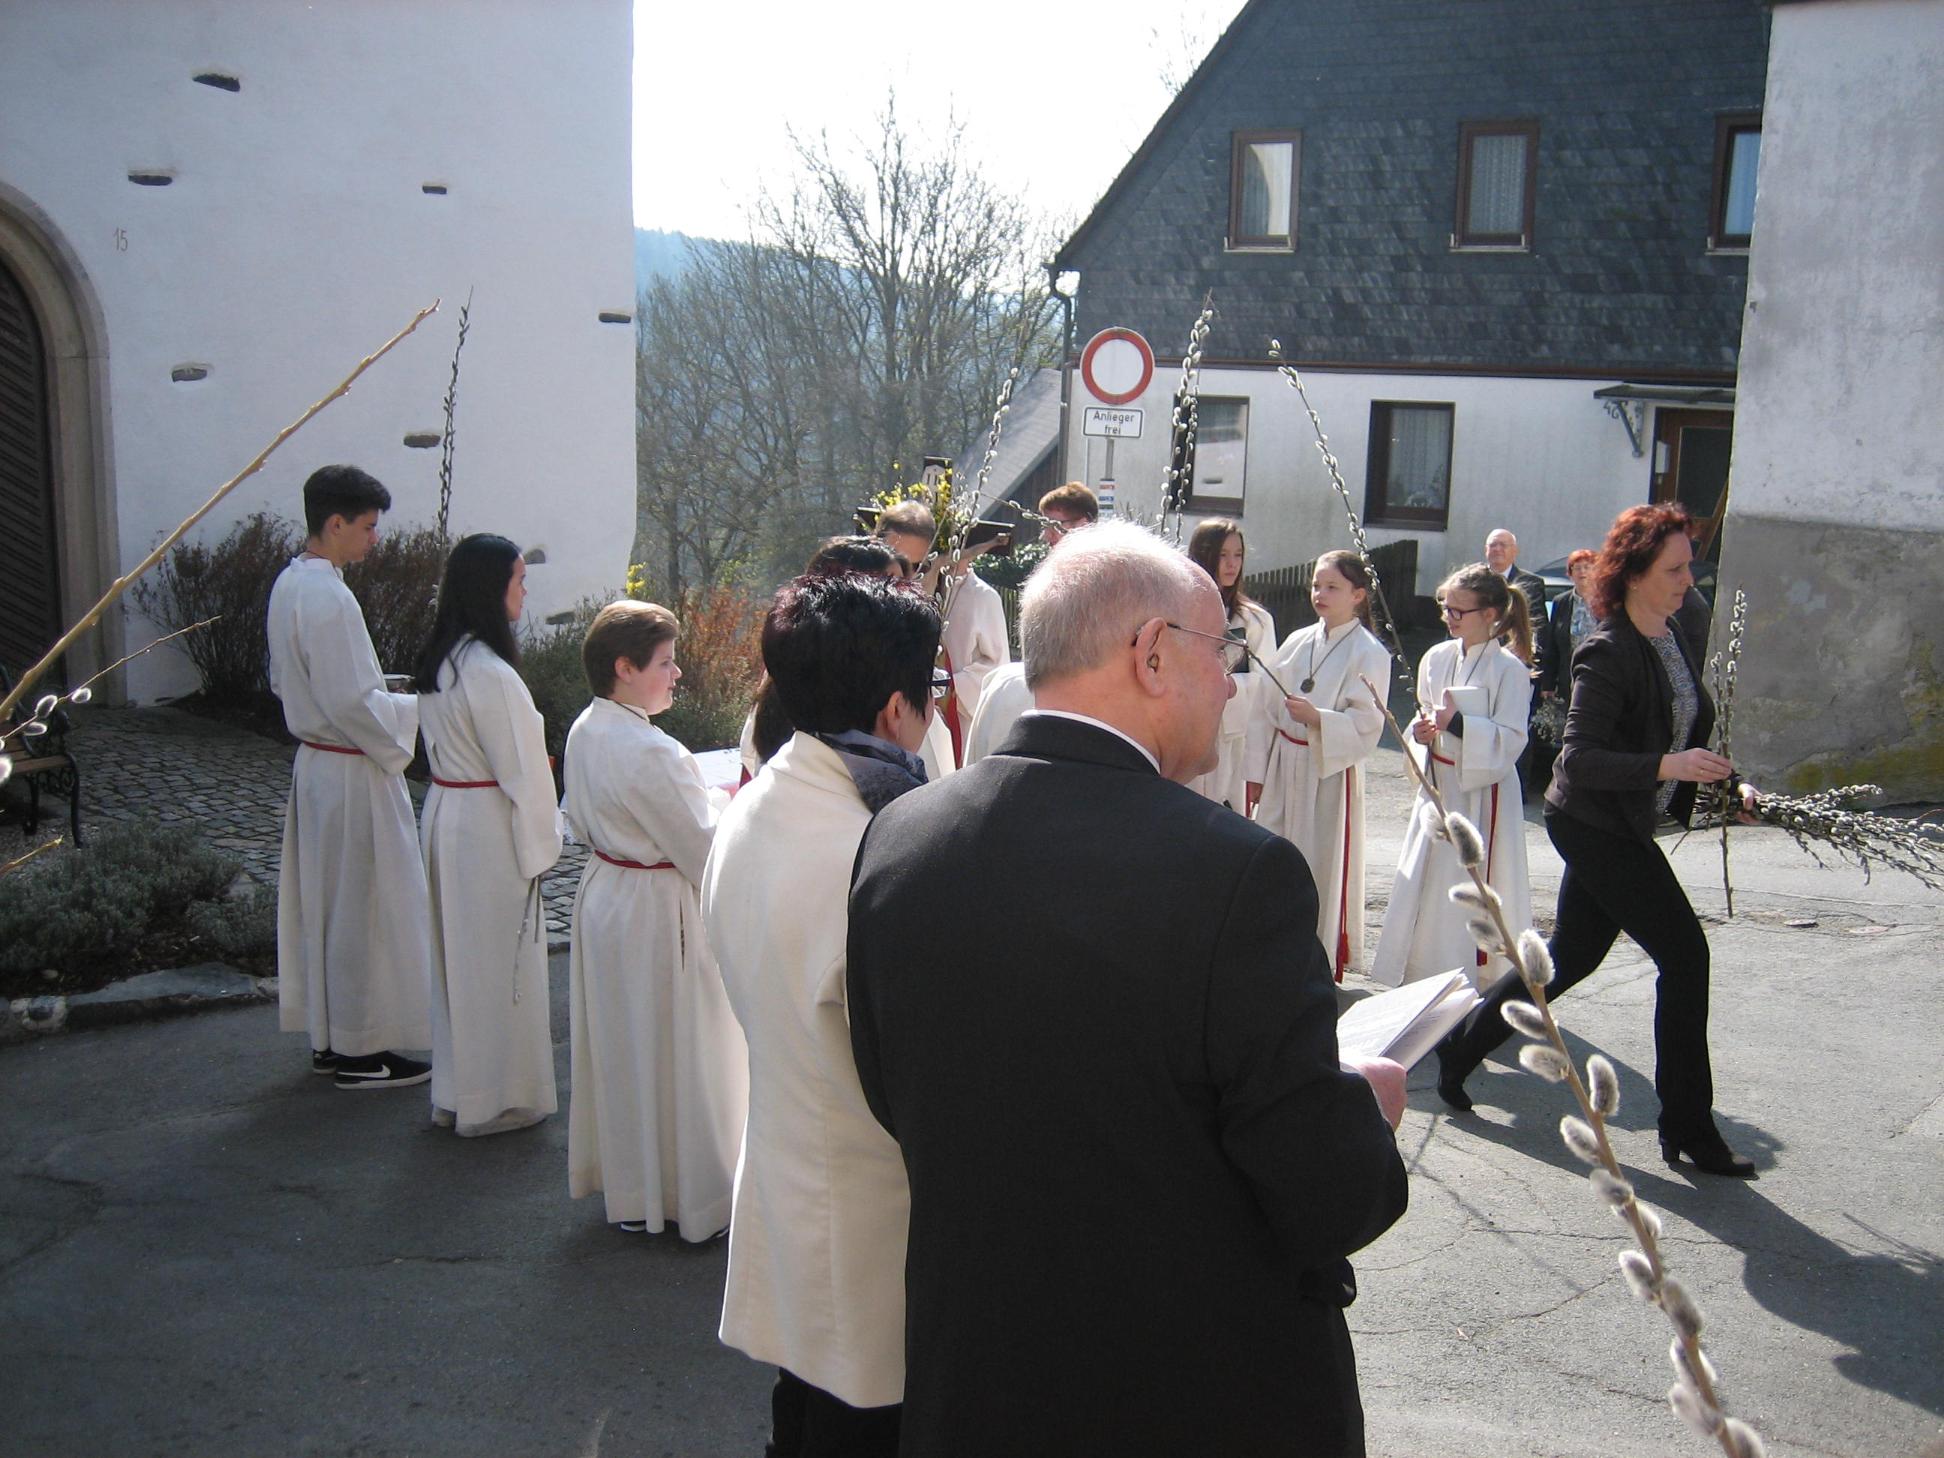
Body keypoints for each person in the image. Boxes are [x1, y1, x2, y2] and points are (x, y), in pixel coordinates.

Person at [846, 521, 1408, 1458]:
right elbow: (1326, 1196)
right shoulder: (1239, 877)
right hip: (1191, 1392)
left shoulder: (900, 835)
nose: (1232, 685)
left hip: (978, 1378)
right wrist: (1364, 1106)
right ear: (1152, 655)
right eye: (1219, 653)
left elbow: (891, 1091)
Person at [1436, 505, 1760, 1178]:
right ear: (1636, 573)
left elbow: (1680, 731)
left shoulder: (1674, 634)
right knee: (1686, 956)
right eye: (1673, 568)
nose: (1686, 579)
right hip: (1591, 823)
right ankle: (1689, 1130)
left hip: (1622, 820)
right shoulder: (1606, 650)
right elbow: (1579, 759)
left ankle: (1460, 1050)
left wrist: (1734, 789)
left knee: (1568, 958)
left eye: (1689, 566)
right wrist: (1669, 768)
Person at [701, 574, 944, 1456]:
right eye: (932, 694)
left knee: (802, 1411)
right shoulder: (877, 847)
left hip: (789, 1165)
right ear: (894, 710)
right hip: (871, 1200)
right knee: (860, 1423)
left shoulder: (759, 803)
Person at [562, 600, 744, 1234]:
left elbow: (581, 815)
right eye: (665, 663)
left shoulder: (585, 728)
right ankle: (687, 1197)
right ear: (624, 666)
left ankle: (636, 1191)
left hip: (607, 893)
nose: (676, 675)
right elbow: (701, 849)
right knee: (677, 1045)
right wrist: (728, 804)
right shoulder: (651, 749)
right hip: (656, 906)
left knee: (625, 1045)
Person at [266, 464, 431, 1089]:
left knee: (328, 905)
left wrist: (378, 692)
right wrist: (417, 707)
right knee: (361, 905)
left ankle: (333, 1039)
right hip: (349, 768)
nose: (374, 539)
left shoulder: (292, 582)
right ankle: (363, 1052)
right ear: (333, 523)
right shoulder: (330, 597)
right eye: (366, 527)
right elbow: (352, 704)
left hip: (319, 763)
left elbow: (295, 681)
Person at [412, 534, 563, 1136]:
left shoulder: (444, 657)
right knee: (496, 965)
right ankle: (494, 1098)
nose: (525, 591)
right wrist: (543, 843)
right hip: (484, 824)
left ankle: (458, 1091)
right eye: (519, 580)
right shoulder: (488, 671)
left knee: (459, 961)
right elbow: (522, 771)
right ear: (490, 587)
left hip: (449, 809)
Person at [1368, 563, 1532, 989]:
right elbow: (1424, 718)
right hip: (1440, 786)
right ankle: (1423, 972)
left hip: (1482, 794)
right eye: (1446, 608)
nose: (1450, 617)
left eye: (1460, 611)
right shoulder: (1437, 657)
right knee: (1429, 880)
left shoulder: (1510, 671)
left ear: (1491, 613)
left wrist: (1457, 724)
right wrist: (1421, 734)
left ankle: (1479, 975)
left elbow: (1513, 739)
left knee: (1473, 883)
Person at [1246, 550, 1392, 981]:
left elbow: (1368, 723)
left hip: (1327, 768)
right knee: (1272, 853)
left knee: (1318, 862)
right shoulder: (1297, 640)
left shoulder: (1370, 653)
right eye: (1316, 584)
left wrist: (1320, 720)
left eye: (1332, 587)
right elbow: (1263, 709)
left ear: (1358, 594)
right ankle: (1269, 944)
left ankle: (1314, 957)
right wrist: (1255, 772)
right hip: (1282, 764)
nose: (1320, 594)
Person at [961, 482, 1097, 765]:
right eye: (1044, 525)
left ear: (1083, 524)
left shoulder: (1102, 580)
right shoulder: (1049, 575)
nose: (1046, 535)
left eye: (1055, 525)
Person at [875, 498, 1009, 756]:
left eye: (918, 565)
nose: (907, 575)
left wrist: (944, 685)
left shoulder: (979, 597)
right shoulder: (870, 596)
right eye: (898, 561)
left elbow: (997, 672)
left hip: (951, 721)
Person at [1183, 518, 1276, 812]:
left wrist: (1236, 685)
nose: (1231, 564)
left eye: (1237, 555)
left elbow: (1268, 684)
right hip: (1186, 731)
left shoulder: (1255, 620)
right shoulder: (1178, 612)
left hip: (1235, 738)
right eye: (1222, 555)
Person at [1484, 527, 1548, 620]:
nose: (1497, 549)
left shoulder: (1531, 583)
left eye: (1503, 545)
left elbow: (1538, 623)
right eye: (1493, 545)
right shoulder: (1473, 580)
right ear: (1486, 550)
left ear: (1515, 551)